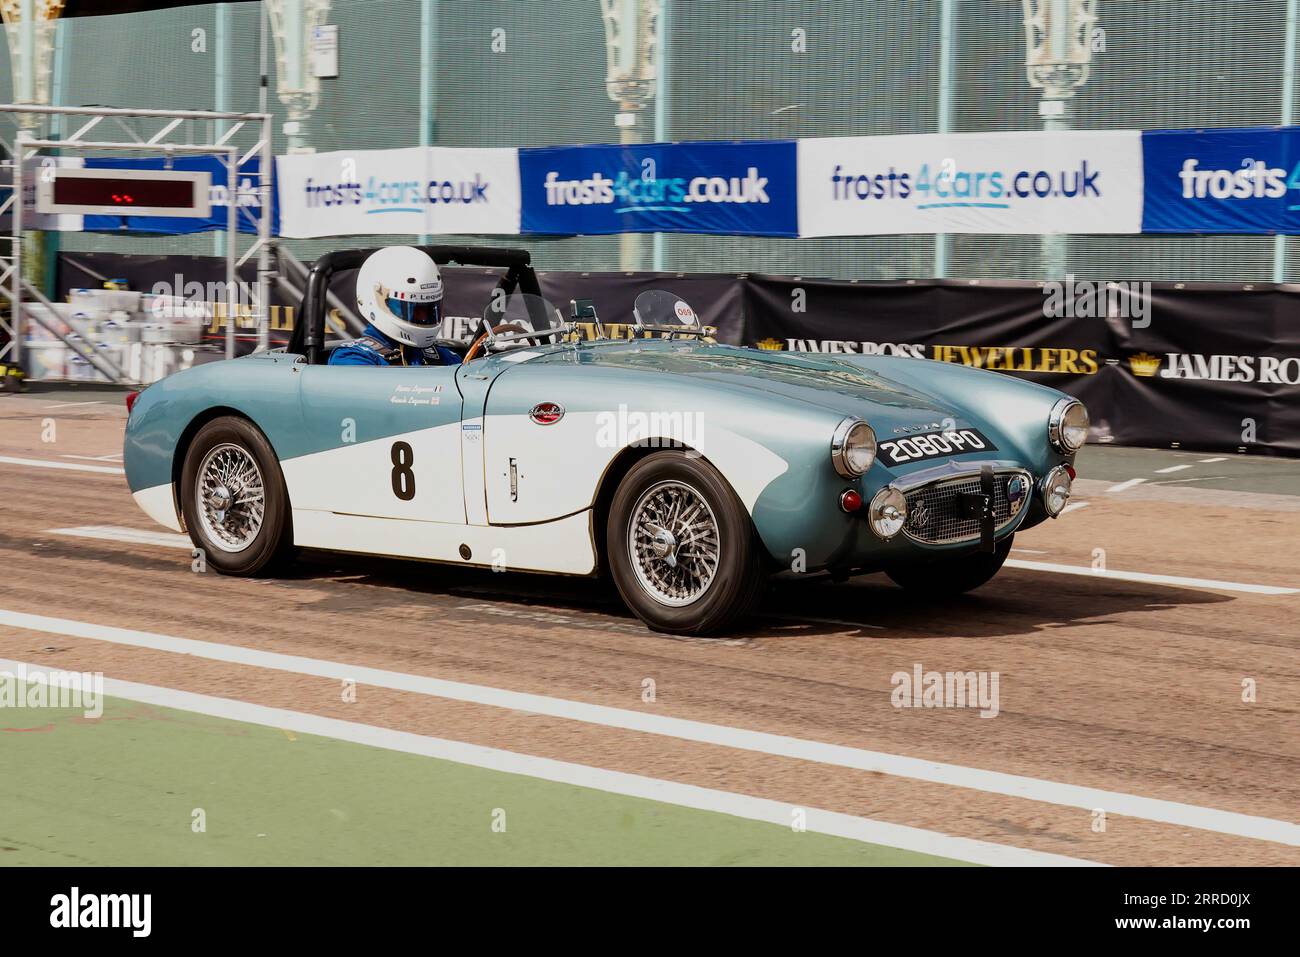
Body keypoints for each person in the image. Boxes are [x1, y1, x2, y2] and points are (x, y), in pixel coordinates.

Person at [329, 246, 461, 366]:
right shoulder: (350, 358)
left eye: (429, 310)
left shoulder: (443, 356)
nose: (423, 317)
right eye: (414, 310)